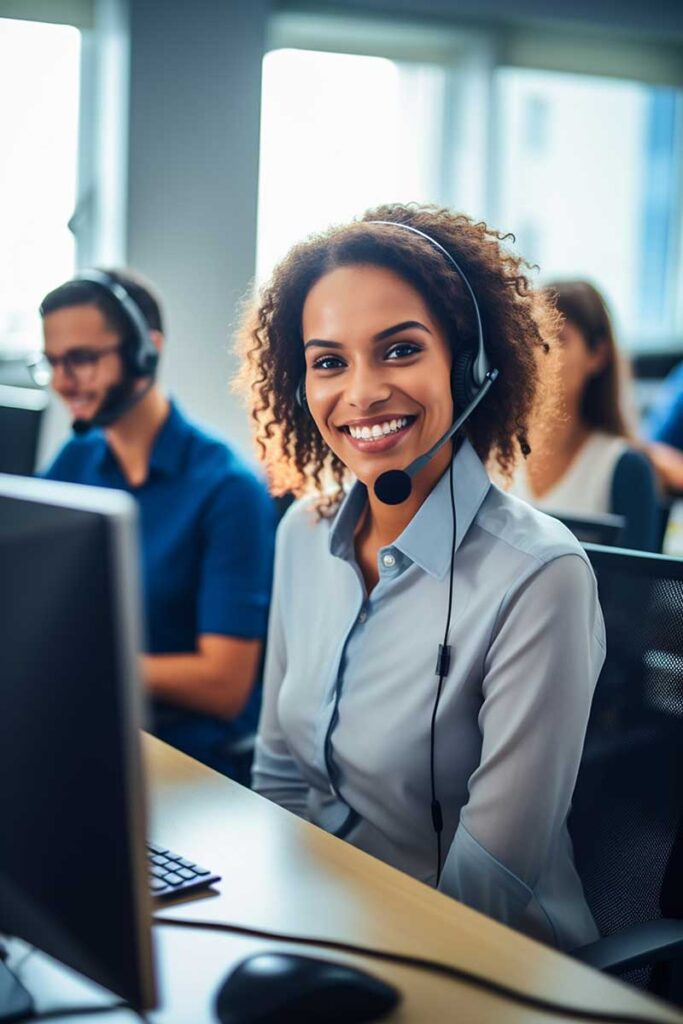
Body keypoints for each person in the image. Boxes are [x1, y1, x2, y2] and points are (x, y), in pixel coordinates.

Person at [237, 204, 605, 950]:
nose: (362, 393)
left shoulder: (539, 575)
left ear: (465, 362)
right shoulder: (302, 537)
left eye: (398, 350)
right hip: (320, 928)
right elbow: (277, 773)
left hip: (481, 966)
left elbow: (489, 880)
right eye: (328, 361)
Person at [32, 268, 275, 778]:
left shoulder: (228, 489)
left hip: (186, 761)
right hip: (84, 733)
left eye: (81, 359)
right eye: (53, 362)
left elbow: (224, 684)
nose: (61, 382)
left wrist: (80, 664)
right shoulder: (75, 462)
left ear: (147, 350)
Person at [506, 280, 660, 551]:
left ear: (597, 355)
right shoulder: (493, 451)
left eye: (559, 338)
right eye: (533, 336)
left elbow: (635, 590)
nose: (540, 352)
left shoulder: (625, 469)